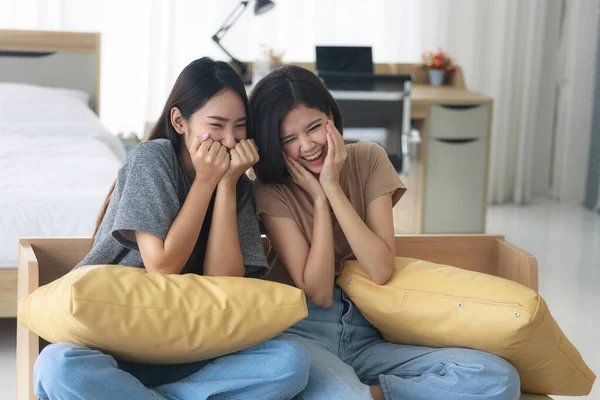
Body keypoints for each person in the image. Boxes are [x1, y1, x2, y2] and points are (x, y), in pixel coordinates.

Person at [33, 57, 310, 400]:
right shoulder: (152, 159)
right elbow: (162, 267)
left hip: (191, 352)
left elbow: (224, 285)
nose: (229, 139)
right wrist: (206, 182)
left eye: (240, 126)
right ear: (179, 121)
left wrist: (225, 187)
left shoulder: (236, 182)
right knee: (57, 365)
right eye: (217, 124)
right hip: (115, 346)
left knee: (290, 362)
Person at [249, 64, 520, 400]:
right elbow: (317, 292)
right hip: (306, 333)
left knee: (498, 377)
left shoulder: (368, 159)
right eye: (289, 139)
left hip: (369, 333)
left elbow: (379, 268)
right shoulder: (270, 189)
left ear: (331, 117)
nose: (307, 146)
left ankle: (371, 395)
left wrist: (332, 188)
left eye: (314, 127)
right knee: (346, 396)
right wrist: (319, 203)